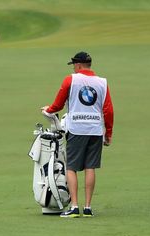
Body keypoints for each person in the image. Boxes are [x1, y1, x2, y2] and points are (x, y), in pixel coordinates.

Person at [41, 51, 114, 218]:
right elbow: (108, 110)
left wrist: (48, 110)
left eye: (74, 65)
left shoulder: (71, 80)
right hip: (95, 130)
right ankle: (87, 208)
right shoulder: (102, 82)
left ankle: (74, 207)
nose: (73, 68)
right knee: (90, 167)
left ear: (79, 65)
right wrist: (108, 132)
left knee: (71, 168)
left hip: (76, 129)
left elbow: (58, 104)